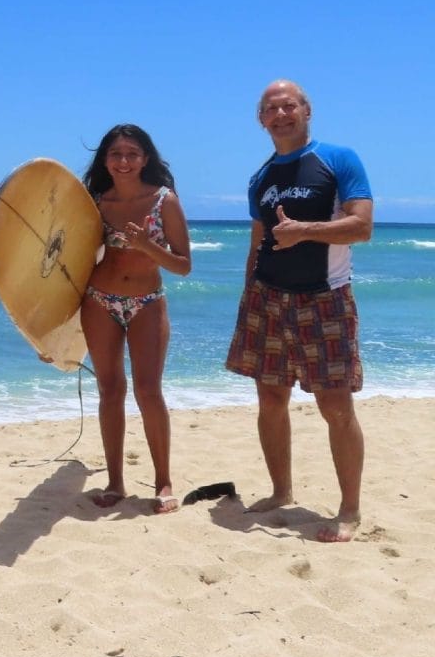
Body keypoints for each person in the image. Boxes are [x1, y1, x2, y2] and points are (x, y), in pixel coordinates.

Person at [226, 80, 373, 543]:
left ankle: (349, 509)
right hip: (266, 298)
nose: (281, 113)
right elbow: (257, 241)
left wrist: (304, 230)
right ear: (261, 120)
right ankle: (280, 490)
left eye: (289, 105)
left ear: (307, 110)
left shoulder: (338, 159)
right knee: (270, 400)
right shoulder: (260, 176)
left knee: (336, 407)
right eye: (271, 108)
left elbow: (362, 226)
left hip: (324, 296)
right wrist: (249, 292)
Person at [79, 124, 192, 514]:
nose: (123, 161)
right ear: (104, 160)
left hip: (147, 302)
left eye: (131, 154)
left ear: (145, 159)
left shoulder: (164, 201)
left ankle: (163, 482)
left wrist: (147, 246)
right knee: (110, 391)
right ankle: (115, 482)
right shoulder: (95, 202)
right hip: (98, 301)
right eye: (115, 154)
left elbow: (183, 265)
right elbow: (68, 260)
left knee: (148, 391)